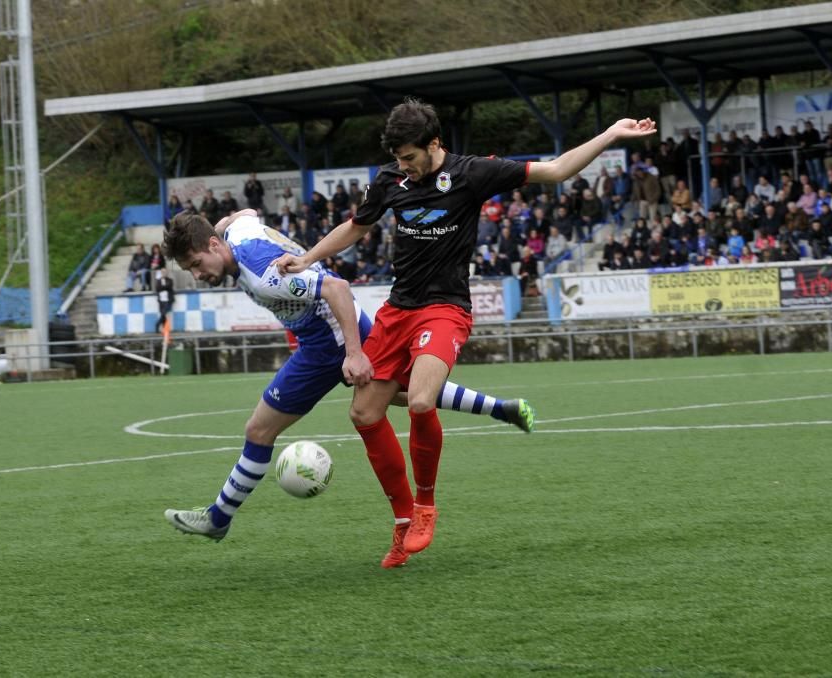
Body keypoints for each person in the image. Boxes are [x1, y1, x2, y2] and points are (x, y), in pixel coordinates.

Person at [274, 98, 655, 567]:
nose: (404, 167)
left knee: (419, 400)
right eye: (397, 159)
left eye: (411, 158)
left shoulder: (474, 173)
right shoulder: (390, 180)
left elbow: (555, 171)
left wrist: (612, 134)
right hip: (398, 310)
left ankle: (426, 506)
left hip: (444, 309)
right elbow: (357, 226)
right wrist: (308, 257)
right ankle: (402, 521)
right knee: (363, 412)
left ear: (435, 144)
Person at [162, 210, 535, 549]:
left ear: (213, 245)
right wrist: (224, 224)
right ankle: (501, 409)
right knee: (405, 393)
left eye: (197, 264)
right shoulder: (238, 234)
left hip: (329, 342)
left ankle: (218, 517)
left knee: (260, 430)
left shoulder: (263, 275)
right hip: (337, 330)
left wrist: (354, 354)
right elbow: (247, 214)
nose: (197, 275)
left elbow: (336, 289)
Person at [154, 267, 175, 333]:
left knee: (163, 314)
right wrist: (164, 287)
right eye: (162, 272)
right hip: (161, 300)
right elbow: (157, 288)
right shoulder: (158, 280)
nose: (164, 273)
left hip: (168, 300)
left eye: (165, 272)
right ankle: (164, 329)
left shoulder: (170, 280)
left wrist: (162, 287)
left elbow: (169, 286)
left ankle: (157, 325)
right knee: (163, 314)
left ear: (167, 273)